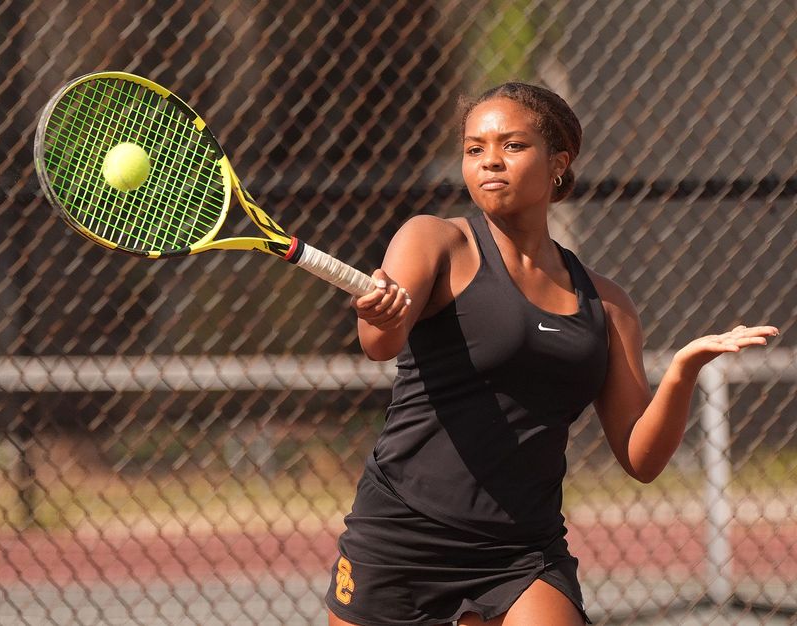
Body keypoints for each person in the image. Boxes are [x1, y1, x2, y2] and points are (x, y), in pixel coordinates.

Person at [325, 81, 778, 626]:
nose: (490, 161)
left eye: (512, 146)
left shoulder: (607, 304)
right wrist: (375, 314)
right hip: (403, 531)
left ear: (558, 162)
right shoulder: (434, 240)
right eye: (475, 149)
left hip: (521, 551)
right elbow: (382, 345)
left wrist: (683, 371)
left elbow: (642, 459)